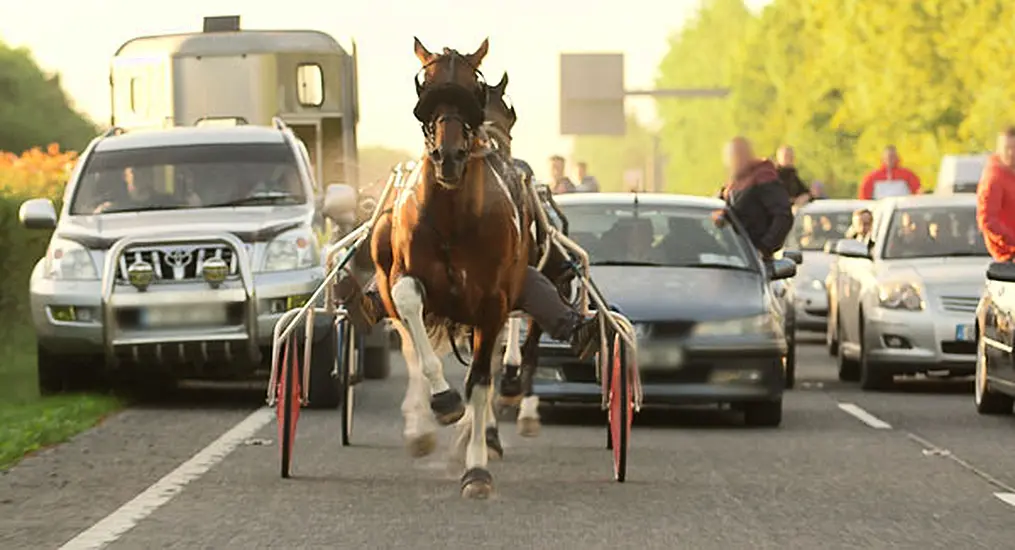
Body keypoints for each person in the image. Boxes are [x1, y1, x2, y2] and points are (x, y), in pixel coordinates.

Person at [713, 137, 794, 262]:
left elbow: (783, 216)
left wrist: (763, 248)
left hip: (756, 262)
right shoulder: (732, 185)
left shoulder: (763, 178)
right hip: (731, 259)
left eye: (735, 155)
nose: (731, 161)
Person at [977, 127, 1015, 262]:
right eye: (1007, 148)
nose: (1011, 153)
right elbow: (987, 220)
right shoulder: (994, 178)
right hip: (1008, 258)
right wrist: (1011, 243)